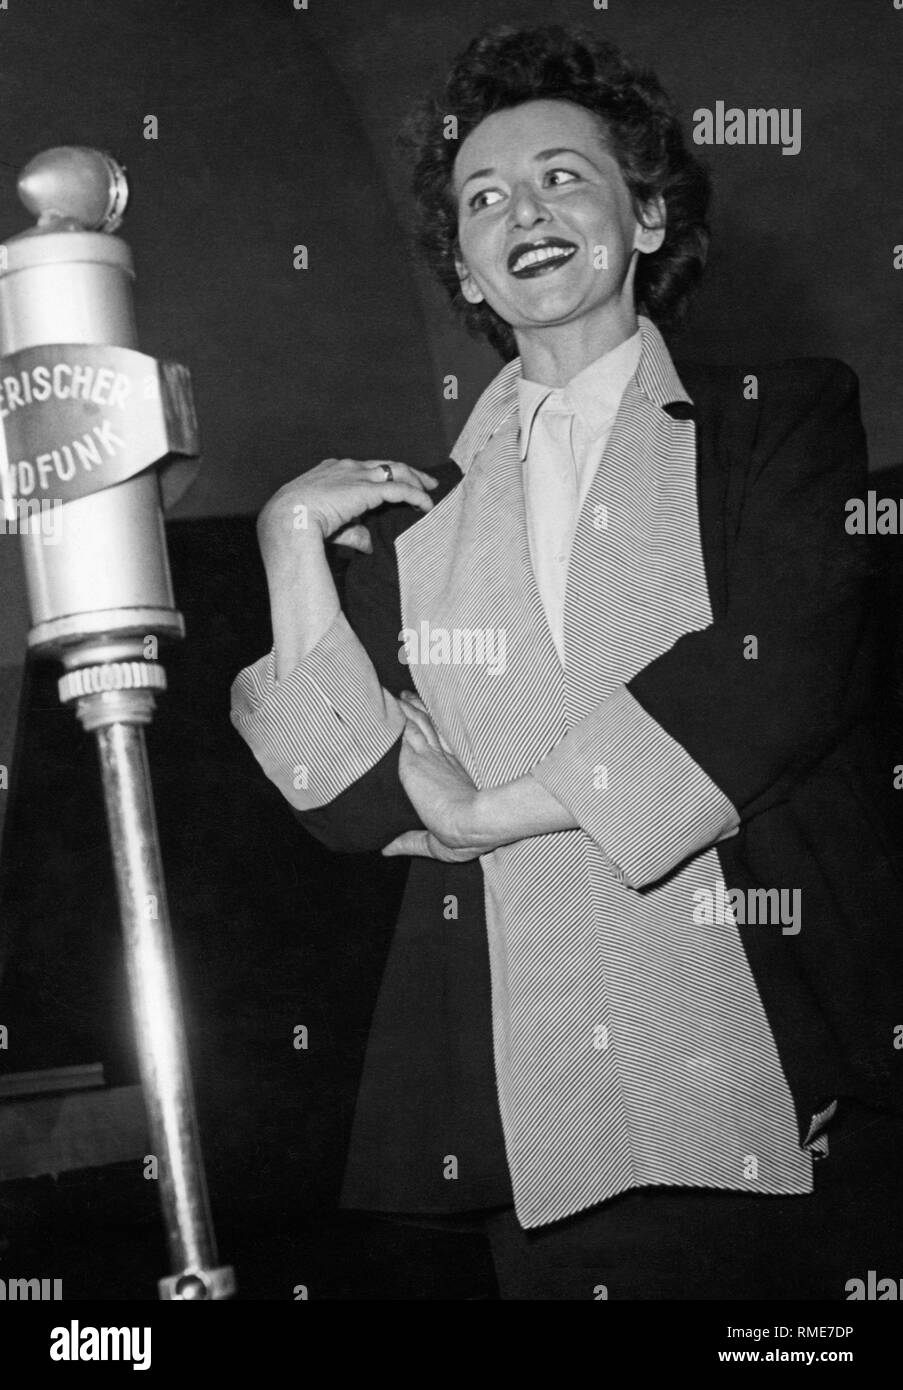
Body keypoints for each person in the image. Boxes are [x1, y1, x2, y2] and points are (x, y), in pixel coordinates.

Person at [231, 22, 903, 1299]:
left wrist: (485, 808)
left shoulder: (783, 418)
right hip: (540, 1116)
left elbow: (777, 678)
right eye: (484, 197)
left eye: (561, 176)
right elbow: (339, 789)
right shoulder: (422, 520)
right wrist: (287, 545)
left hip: (791, 1068)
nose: (520, 211)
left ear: (646, 218)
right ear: (471, 276)